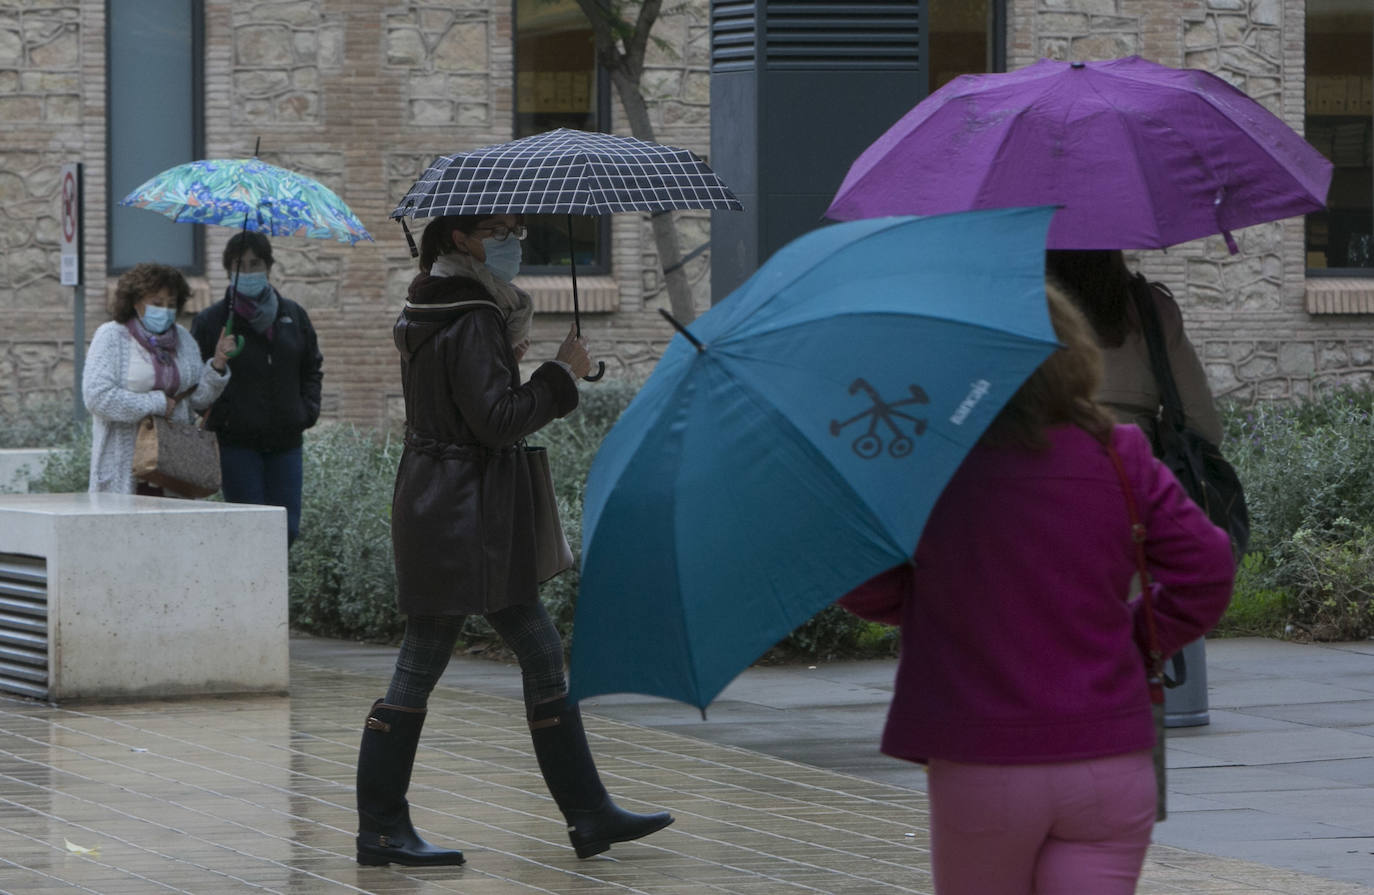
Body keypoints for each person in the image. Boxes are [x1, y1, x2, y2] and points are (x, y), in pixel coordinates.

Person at [837, 284, 1234, 895]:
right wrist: (1133, 635)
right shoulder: (1121, 454)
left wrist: (938, 602)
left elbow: (861, 578)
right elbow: (1206, 568)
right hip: (1110, 757)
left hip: (982, 757)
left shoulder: (929, 467)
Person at [355, 213, 673, 868]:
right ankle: (384, 826)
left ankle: (587, 812)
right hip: (463, 513)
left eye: (518, 229)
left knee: (530, 646)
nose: (515, 241)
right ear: (461, 240)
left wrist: (512, 365)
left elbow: (467, 401)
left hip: (450, 506)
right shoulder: (472, 317)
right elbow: (496, 422)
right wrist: (559, 375)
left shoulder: (443, 308)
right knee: (431, 655)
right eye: (500, 229)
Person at [191, 232, 323, 545]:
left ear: (268, 266)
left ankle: (275, 594)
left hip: (286, 442)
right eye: (240, 265)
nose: (248, 272)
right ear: (227, 270)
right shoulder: (212, 321)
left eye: (255, 264)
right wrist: (219, 361)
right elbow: (196, 382)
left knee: (286, 531)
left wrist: (306, 412)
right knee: (248, 532)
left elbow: (311, 367)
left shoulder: (293, 315)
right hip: (236, 445)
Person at [83, 263, 235, 495]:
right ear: (135, 302)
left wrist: (218, 364)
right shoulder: (112, 336)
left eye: (171, 305)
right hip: (125, 469)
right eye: (156, 303)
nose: (165, 310)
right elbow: (97, 397)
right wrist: (157, 403)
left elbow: (197, 400)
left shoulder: (184, 339)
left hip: (174, 468)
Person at [1045, 249, 1223, 446]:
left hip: (1037, 465)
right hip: (1132, 468)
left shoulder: (1019, 310)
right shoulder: (1151, 310)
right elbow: (1203, 425)